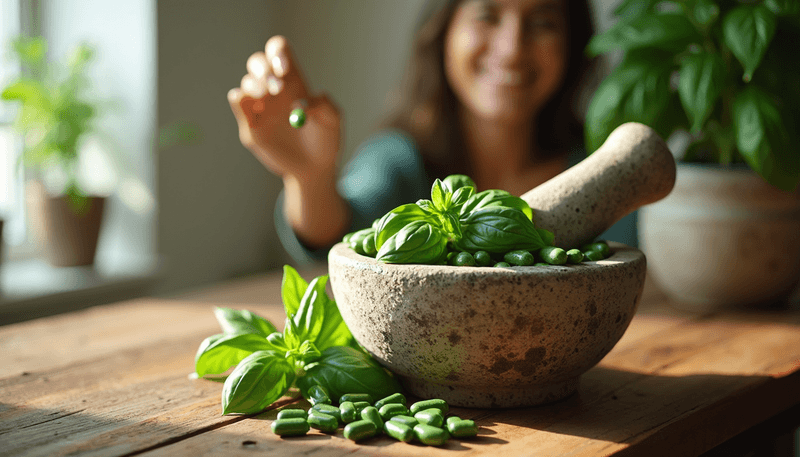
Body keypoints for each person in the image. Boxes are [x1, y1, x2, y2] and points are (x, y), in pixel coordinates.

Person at [228, 0, 633, 264]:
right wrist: (310, 177)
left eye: (543, 22)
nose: (512, 48)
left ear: (572, 43)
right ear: (444, 34)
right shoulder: (400, 161)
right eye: (487, 16)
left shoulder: (600, 168)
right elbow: (339, 233)